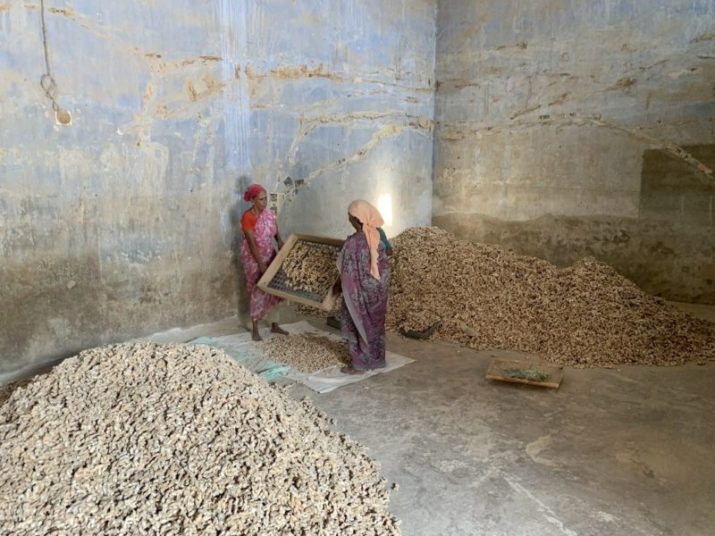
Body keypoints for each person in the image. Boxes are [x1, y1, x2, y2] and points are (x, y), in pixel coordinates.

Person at [337, 200, 391, 374]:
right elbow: (385, 261)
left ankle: (360, 364)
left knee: (358, 322)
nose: (349, 220)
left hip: (360, 293)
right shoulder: (378, 236)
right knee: (375, 326)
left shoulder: (353, 243)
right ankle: (377, 360)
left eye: (350, 218)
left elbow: (347, 271)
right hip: (378, 291)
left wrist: (340, 287)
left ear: (357, 219)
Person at [239, 184, 288, 341]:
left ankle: (274, 324)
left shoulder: (269, 214)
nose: (265, 202)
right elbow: (252, 244)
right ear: (252, 200)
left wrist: (279, 241)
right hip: (253, 259)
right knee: (258, 289)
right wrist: (261, 265)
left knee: (274, 288)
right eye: (261, 199)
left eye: (266, 198)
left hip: (270, 254)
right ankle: (255, 328)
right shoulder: (248, 217)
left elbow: (275, 230)